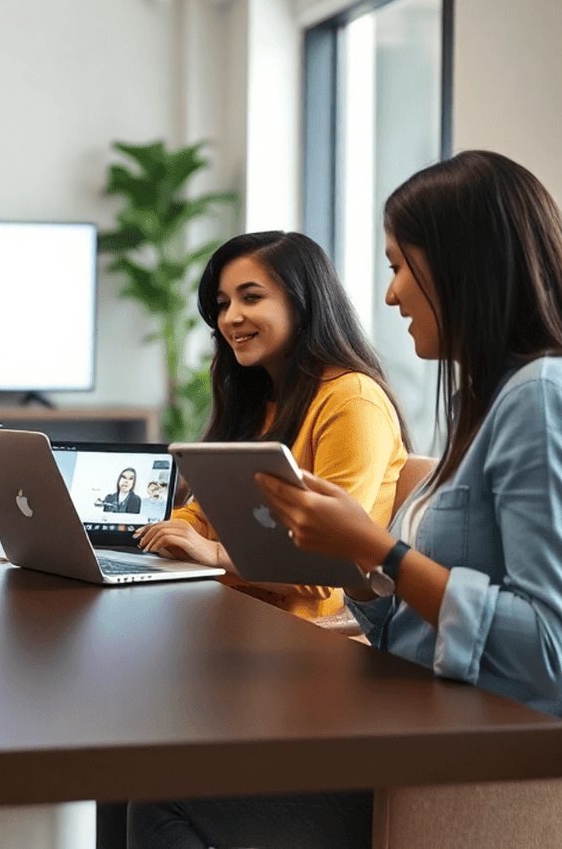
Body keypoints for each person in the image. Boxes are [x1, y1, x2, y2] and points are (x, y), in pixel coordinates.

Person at [128, 151, 562, 848]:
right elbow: (423, 614)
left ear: (464, 268)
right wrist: (367, 563)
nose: (389, 295)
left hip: (473, 750)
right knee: (162, 750)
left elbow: (552, 648)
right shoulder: (512, 401)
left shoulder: (548, 402)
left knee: (161, 797)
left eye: (399, 266)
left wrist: (374, 547)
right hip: (419, 709)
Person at [134, 231, 409, 621]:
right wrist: (146, 536)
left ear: (303, 302)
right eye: (222, 304)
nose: (230, 318)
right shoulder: (254, 397)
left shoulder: (352, 400)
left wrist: (212, 553)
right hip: (222, 609)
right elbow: (203, 515)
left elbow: (325, 570)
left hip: (301, 630)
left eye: (251, 297)